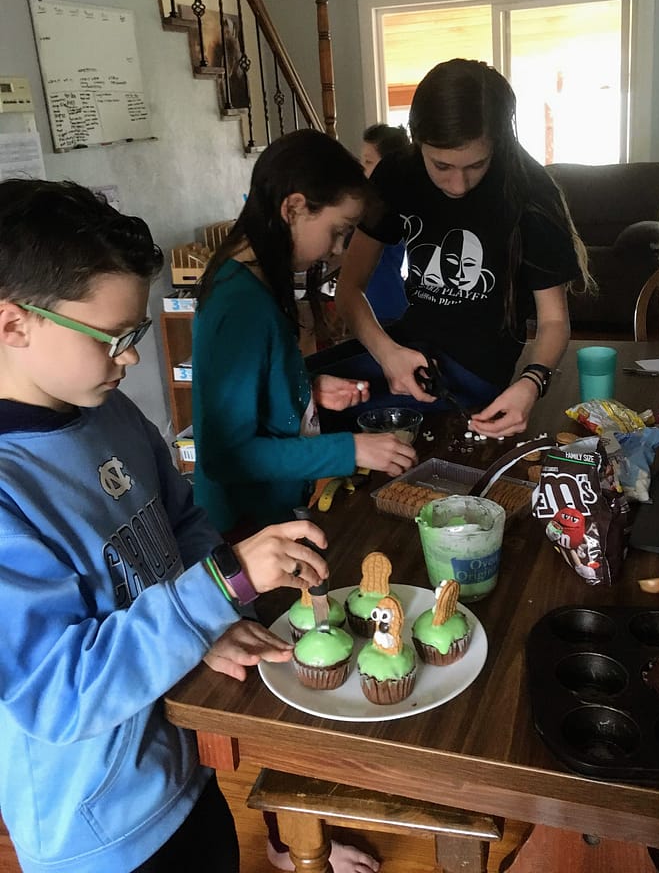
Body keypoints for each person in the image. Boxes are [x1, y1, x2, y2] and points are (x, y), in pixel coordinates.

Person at [0, 179, 331, 873]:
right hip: (99, 832)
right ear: (13, 325)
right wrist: (224, 585)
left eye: (138, 333)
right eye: (114, 338)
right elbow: (58, 693)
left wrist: (204, 621)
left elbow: (182, 521)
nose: (131, 358)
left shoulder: (109, 413)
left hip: (181, 763)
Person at [192, 129, 416, 873]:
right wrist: (348, 448)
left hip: (276, 514)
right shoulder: (240, 298)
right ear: (294, 206)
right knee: (279, 690)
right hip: (242, 529)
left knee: (301, 660)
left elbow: (253, 395)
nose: (334, 249)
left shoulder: (260, 278)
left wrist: (306, 391)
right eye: (335, 231)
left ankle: (300, 828)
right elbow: (226, 449)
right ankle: (294, 843)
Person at [331, 58, 591, 439]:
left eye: (476, 165)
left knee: (308, 411)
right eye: (441, 165)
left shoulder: (532, 191)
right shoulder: (397, 174)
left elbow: (553, 322)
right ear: (416, 138)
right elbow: (348, 289)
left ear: (499, 141)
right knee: (300, 387)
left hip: (475, 375)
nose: (458, 184)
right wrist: (388, 354)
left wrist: (531, 383)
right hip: (408, 346)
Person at [360, 123, 411, 325]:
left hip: (384, 304)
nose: (362, 169)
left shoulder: (385, 207)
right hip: (378, 301)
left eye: (368, 162)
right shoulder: (371, 202)